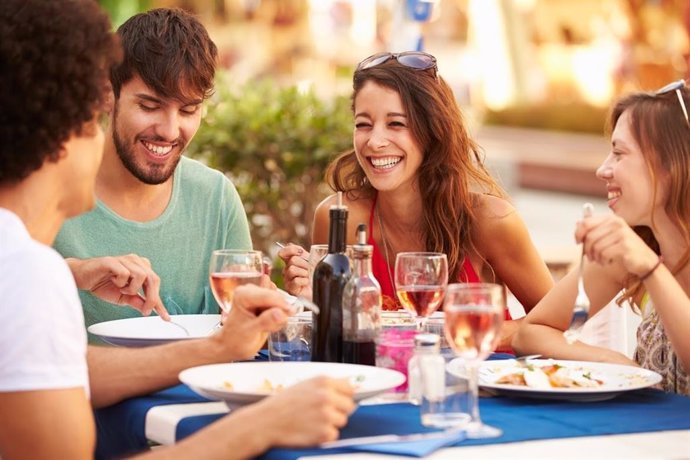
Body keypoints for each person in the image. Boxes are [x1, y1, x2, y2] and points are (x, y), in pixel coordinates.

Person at [0, 1, 354, 458]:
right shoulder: (27, 272)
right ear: (62, 138)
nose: (169, 129)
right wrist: (261, 425)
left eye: (188, 109)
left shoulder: (26, 266)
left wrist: (66, 272)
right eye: (89, 120)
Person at [280, 51, 554, 349]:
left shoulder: (490, 221)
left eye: (396, 124)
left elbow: (555, 322)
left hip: (479, 386)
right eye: (363, 124)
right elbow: (334, 338)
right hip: (379, 389)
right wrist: (309, 302)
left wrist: (460, 334)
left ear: (433, 131)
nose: (375, 141)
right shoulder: (339, 216)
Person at [53, 7, 253, 332]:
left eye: (188, 110)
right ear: (107, 93)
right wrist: (71, 271)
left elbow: (240, 331)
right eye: (149, 106)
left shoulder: (216, 197)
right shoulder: (48, 187)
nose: (170, 131)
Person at [513, 80, 690, 395]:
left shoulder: (641, 255)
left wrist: (651, 269)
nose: (602, 170)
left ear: (671, 167)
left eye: (619, 154)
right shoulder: (636, 246)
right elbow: (531, 333)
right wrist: (614, 362)